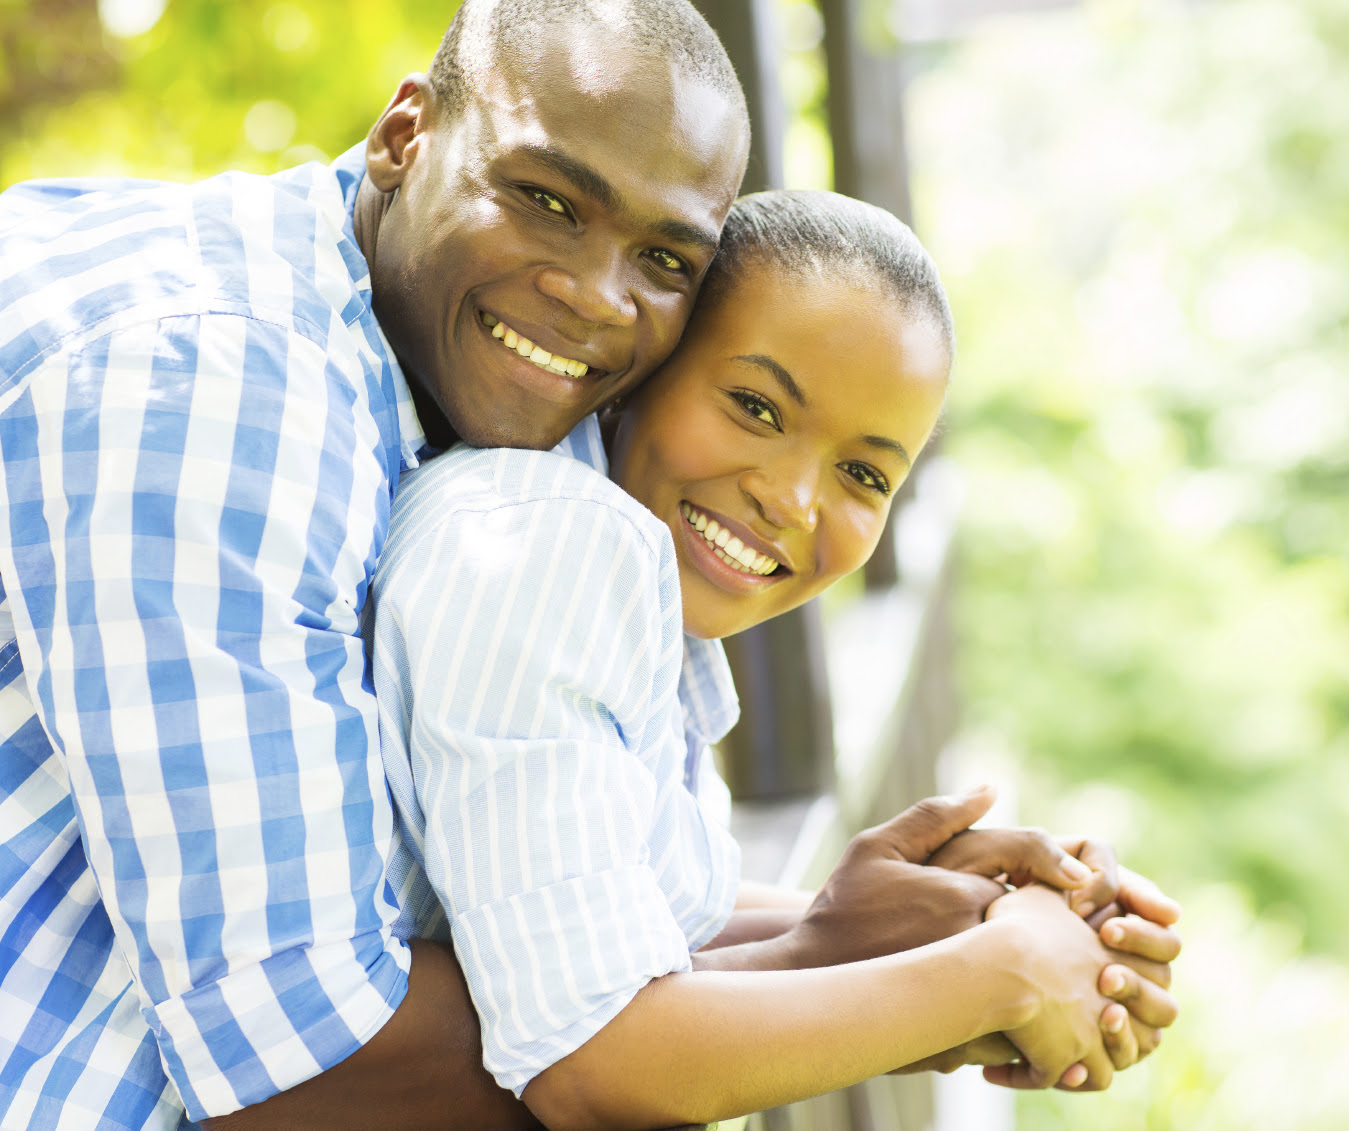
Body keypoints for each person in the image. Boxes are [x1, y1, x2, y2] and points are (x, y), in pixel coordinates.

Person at [0, 2, 1172, 1126]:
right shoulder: (214, 399)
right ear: (405, 134)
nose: (594, 298)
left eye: (664, 261)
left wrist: (837, 935)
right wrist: (974, 983)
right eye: (548, 200)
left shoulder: (465, 379)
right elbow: (321, 1072)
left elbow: (539, 916)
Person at [369, 190, 1181, 1131]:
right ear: (644, 367)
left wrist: (929, 920)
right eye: (756, 406)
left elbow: (610, 910)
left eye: (865, 474)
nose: (794, 499)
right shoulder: (547, 548)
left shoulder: (643, 613)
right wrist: (998, 976)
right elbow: (591, 1061)